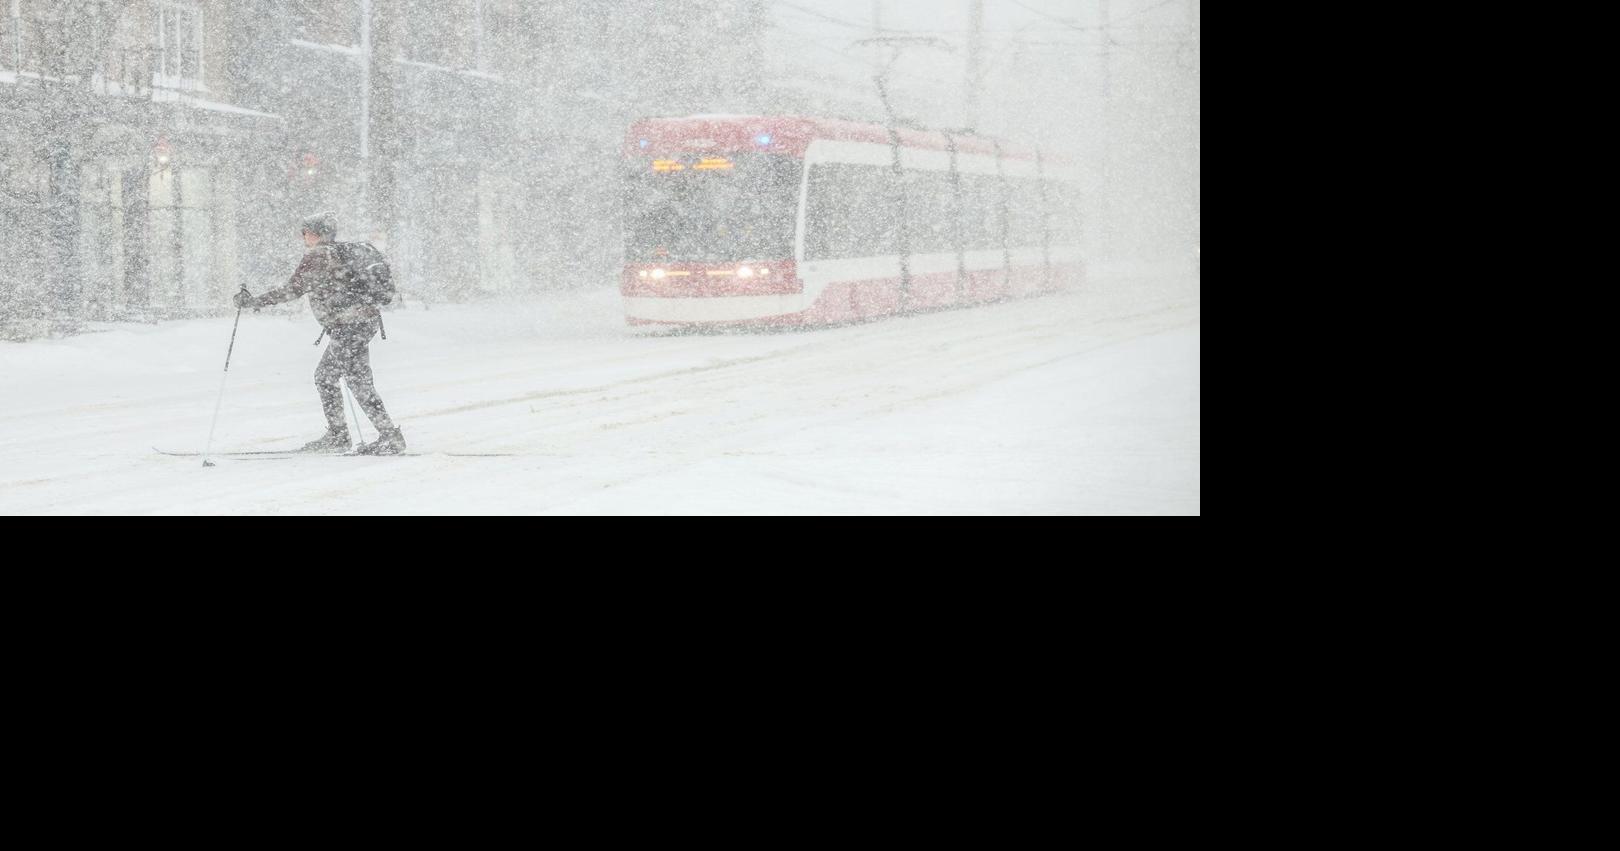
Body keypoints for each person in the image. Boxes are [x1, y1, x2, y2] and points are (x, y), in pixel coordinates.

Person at [235, 212, 406, 455]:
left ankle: (388, 437)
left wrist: (254, 302)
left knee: (357, 383)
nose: (304, 237)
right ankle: (339, 435)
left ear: (316, 234)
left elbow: (293, 289)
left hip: (349, 326)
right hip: (359, 323)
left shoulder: (318, 256)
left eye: (307, 232)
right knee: (326, 377)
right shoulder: (342, 253)